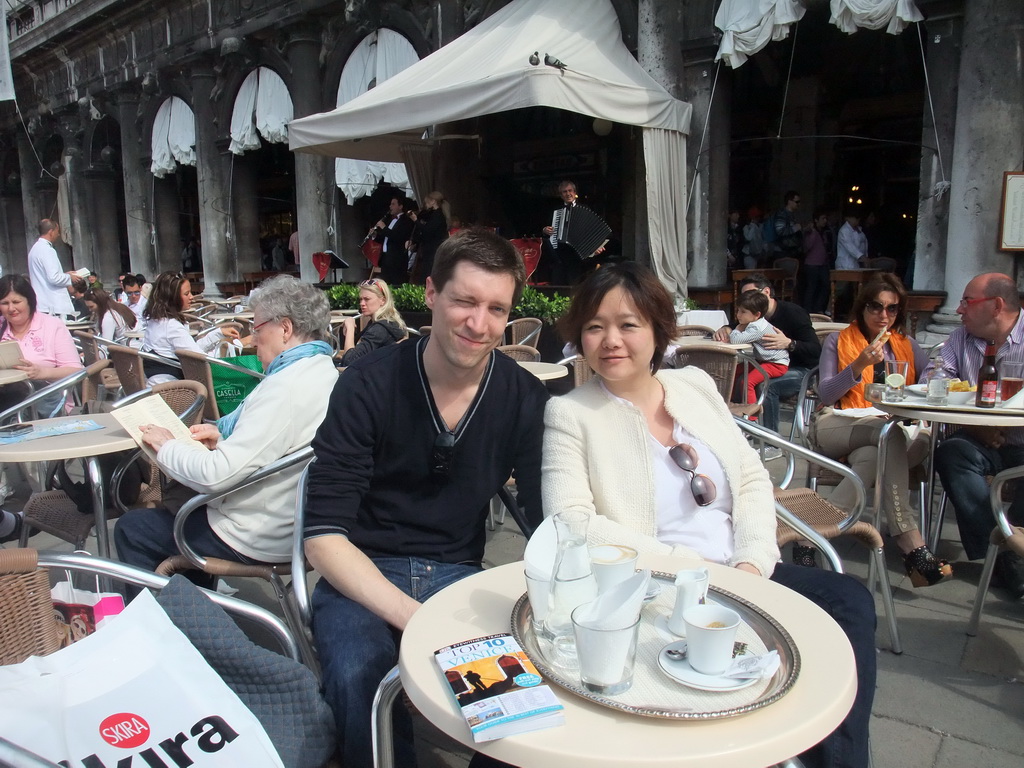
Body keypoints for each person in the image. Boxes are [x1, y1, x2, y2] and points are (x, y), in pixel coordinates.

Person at [543, 262, 876, 768]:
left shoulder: (693, 385)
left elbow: (749, 478)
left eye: (628, 324)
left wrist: (750, 565)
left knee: (849, 601)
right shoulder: (571, 414)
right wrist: (696, 572)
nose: (611, 339)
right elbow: (573, 522)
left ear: (657, 331)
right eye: (595, 326)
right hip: (661, 588)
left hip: (745, 571)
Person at [304, 228, 547, 768]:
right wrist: (417, 617)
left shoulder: (523, 397)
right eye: (464, 300)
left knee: (521, 703)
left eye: (495, 308)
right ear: (432, 294)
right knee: (359, 675)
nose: (477, 323)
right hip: (362, 571)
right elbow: (323, 538)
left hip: (460, 575)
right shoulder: (369, 382)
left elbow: (544, 516)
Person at [114, 276, 338, 581]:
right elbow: (277, 439)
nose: (253, 340)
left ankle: (169, 622)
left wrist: (167, 445)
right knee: (175, 509)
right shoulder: (321, 370)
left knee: (132, 529)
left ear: (285, 329)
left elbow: (216, 476)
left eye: (257, 329)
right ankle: (195, 611)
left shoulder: (287, 388)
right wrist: (223, 434)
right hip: (288, 520)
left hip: (257, 533)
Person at [814, 273, 951, 585]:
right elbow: (825, 395)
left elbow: (927, 388)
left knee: (881, 448)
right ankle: (911, 543)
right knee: (889, 437)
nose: (883, 315)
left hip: (896, 431)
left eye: (892, 309)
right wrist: (859, 365)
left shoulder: (908, 346)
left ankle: (810, 534)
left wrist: (934, 378)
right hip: (842, 422)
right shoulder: (838, 341)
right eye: (876, 307)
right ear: (862, 308)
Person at [930, 273, 1024, 599]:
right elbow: (934, 379)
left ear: (997, 306)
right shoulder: (960, 339)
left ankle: (1009, 555)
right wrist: (976, 425)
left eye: (967, 301)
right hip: (977, 442)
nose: (958, 309)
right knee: (951, 453)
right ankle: (1006, 555)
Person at [715, 273, 821, 442]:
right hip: (767, 362)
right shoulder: (751, 313)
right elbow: (737, 326)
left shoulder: (793, 313)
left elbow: (816, 350)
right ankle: (737, 422)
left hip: (802, 370)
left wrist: (790, 343)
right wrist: (726, 328)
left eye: (751, 294)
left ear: (766, 292)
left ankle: (770, 440)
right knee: (732, 373)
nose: (747, 299)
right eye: (744, 297)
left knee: (766, 384)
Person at [0, 274, 84, 415]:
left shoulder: (52, 326)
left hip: (44, 399)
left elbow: (75, 371)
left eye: (16, 302)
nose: (11, 308)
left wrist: (41, 372)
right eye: (4, 303)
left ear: (29, 301)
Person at [141, 271, 238, 384]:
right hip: (175, 390)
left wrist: (218, 333)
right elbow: (200, 358)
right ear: (172, 297)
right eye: (186, 294)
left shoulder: (155, 321)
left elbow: (189, 350)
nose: (192, 297)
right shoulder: (172, 326)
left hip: (156, 383)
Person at [728, 289, 789, 405]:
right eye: (738, 311)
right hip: (763, 360)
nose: (738, 315)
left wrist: (737, 328)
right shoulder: (756, 323)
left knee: (747, 382)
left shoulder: (757, 328)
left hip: (776, 364)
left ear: (757, 315)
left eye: (743, 312)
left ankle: (752, 414)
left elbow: (735, 339)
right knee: (733, 371)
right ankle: (728, 401)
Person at [542, 180, 602, 285]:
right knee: (558, 284)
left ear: (574, 193)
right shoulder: (556, 211)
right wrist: (545, 230)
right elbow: (546, 229)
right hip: (560, 254)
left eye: (570, 191)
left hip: (578, 255)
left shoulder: (585, 209)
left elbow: (593, 230)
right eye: (564, 192)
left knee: (575, 284)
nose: (568, 194)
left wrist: (595, 246)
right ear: (561, 195)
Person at [338, 278, 408, 366]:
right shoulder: (389, 323)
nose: (362, 303)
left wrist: (350, 329)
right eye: (361, 299)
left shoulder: (380, 329)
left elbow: (349, 362)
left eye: (367, 299)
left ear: (383, 300)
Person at [27, 219, 83, 318]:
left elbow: (47, 275)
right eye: (57, 231)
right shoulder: (47, 250)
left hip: (42, 302)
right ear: (51, 232)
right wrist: (70, 277)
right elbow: (53, 278)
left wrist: (65, 274)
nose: (58, 235)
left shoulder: (34, 249)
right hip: (53, 304)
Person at [372, 195, 415, 287]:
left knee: (396, 285)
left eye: (393, 204)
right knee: (385, 286)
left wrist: (384, 227)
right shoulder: (389, 220)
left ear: (400, 206)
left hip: (397, 259)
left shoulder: (406, 221)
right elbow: (385, 238)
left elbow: (398, 237)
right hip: (386, 258)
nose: (390, 206)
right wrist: (374, 235)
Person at [408, 191, 449, 284]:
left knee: (428, 272)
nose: (426, 204)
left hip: (433, 249)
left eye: (427, 202)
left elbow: (427, 230)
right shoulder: (433, 214)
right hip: (429, 249)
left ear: (433, 201)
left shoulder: (438, 215)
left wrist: (416, 220)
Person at [802, 209, 832, 314]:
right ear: (816, 220)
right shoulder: (812, 232)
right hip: (812, 264)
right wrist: (811, 233)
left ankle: (818, 308)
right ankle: (807, 311)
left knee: (825, 286)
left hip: (822, 264)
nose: (825, 221)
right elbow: (807, 247)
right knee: (811, 287)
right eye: (823, 218)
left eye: (826, 218)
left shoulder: (824, 232)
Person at [773, 191, 803, 260]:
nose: (799, 204)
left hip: (791, 251)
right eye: (797, 202)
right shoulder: (782, 214)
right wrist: (795, 228)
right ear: (789, 201)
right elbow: (780, 231)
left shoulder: (793, 214)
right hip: (783, 252)